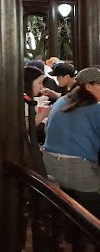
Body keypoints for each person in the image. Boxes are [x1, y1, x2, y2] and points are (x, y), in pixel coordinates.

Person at [42, 67, 100, 217]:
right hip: (78, 172)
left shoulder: (62, 101)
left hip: (49, 168)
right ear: (88, 86)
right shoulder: (95, 108)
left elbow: (47, 130)